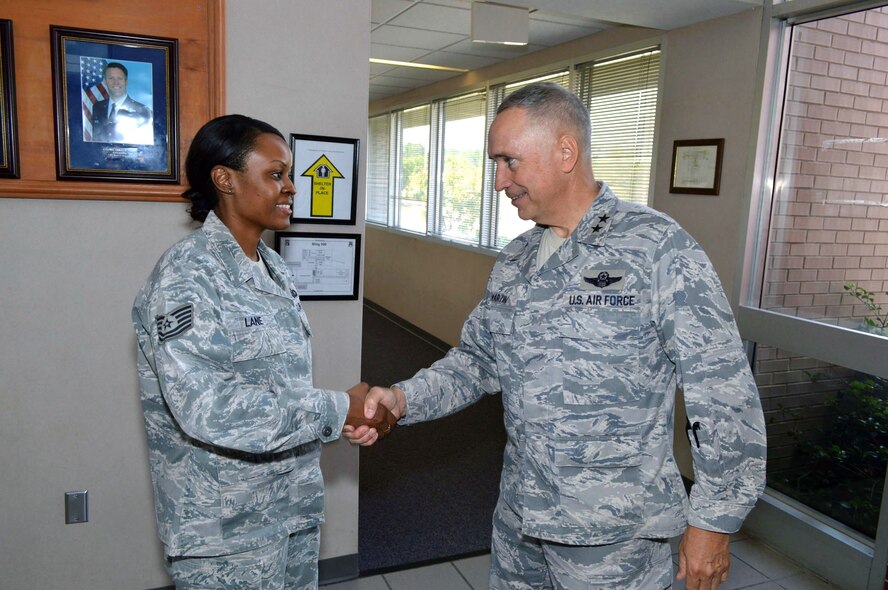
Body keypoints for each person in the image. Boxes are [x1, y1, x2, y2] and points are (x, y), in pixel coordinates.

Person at [345, 83, 767, 590]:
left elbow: (721, 389)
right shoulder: (517, 259)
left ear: (566, 152)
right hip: (521, 517)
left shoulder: (656, 248)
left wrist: (714, 520)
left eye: (510, 161)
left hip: (613, 538)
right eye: (494, 164)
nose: (498, 181)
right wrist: (402, 398)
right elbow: (477, 361)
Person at [133, 114, 396, 590]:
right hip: (226, 534)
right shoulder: (187, 276)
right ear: (224, 179)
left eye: (289, 174)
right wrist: (339, 407)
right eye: (276, 174)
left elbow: (278, 389)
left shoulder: (272, 265)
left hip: (290, 510)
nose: (291, 187)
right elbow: (209, 409)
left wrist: (342, 413)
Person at [91, 62, 152, 144]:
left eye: (119, 78)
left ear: (126, 82)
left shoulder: (143, 111)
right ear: (105, 81)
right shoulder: (97, 107)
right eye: (111, 78)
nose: (116, 82)